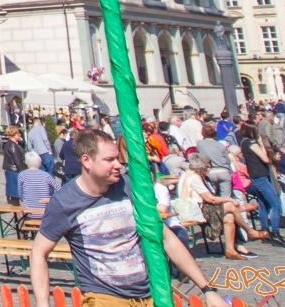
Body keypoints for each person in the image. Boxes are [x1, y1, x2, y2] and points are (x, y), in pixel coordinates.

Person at [32, 129, 229, 307]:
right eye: (109, 160)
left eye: (117, 158)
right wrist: (43, 303)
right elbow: (39, 253)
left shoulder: (127, 187)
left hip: (147, 294)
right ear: (86, 160)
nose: (118, 165)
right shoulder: (64, 202)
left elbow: (166, 237)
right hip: (103, 299)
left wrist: (207, 290)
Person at [238, 125, 285, 247]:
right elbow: (265, 159)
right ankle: (275, 232)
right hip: (259, 176)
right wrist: (261, 144)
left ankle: (265, 231)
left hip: (257, 176)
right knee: (275, 204)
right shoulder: (251, 142)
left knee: (263, 204)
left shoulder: (244, 142)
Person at [1, 126, 26, 204]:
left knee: (14, 194)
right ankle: (18, 214)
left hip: (10, 170)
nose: (20, 135)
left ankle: (17, 214)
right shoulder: (12, 145)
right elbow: (18, 161)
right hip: (14, 171)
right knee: (16, 194)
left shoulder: (9, 143)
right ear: (14, 134)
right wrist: (24, 172)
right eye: (18, 134)